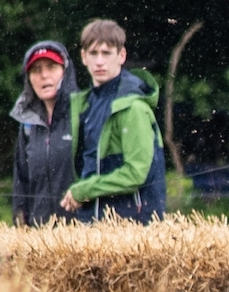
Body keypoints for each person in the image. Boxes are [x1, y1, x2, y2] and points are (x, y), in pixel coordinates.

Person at [60, 19, 167, 223]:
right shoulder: (83, 106)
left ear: (121, 55)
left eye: (106, 53)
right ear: (83, 57)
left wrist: (84, 190)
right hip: (92, 223)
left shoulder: (134, 107)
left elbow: (136, 174)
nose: (99, 61)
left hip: (133, 228)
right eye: (93, 53)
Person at [10, 40, 78, 226]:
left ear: (65, 71)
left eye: (51, 66)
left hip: (82, 232)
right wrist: (19, 222)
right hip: (39, 233)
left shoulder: (83, 114)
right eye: (36, 70)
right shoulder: (28, 125)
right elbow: (21, 180)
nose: (44, 75)